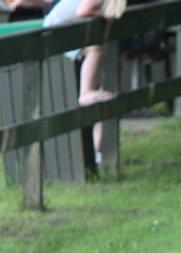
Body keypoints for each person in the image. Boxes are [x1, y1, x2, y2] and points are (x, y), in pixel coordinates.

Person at [43, 0, 126, 161]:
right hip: (56, 30)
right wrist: (103, 15)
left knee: (103, 95)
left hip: (73, 28)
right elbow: (84, 10)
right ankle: (85, 91)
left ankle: (97, 152)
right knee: (96, 50)